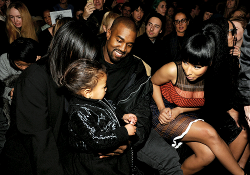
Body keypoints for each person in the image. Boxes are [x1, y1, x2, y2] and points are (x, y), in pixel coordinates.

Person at [0, 20, 98, 175]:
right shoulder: (33, 79)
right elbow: (39, 141)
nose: (84, 66)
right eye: (81, 59)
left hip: (60, 155)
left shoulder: (70, 75)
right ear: (65, 50)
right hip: (29, 163)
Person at [150, 19, 246, 175]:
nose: (189, 71)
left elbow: (203, 104)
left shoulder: (210, 80)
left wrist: (180, 110)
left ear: (210, 63)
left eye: (197, 66)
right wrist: (162, 108)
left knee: (206, 155)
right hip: (160, 111)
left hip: (183, 113)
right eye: (187, 62)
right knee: (210, 133)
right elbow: (152, 83)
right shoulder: (174, 69)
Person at [96, 16, 183, 175]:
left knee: (171, 160)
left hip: (129, 131)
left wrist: (129, 141)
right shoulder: (89, 57)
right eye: (119, 40)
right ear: (108, 32)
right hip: (95, 128)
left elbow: (142, 111)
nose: (123, 49)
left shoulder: (136, 68)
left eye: (129, 45)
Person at [61, 58, 137, 175]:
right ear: (88, 92)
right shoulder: (79, 112)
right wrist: (124, 132)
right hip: (94, 162)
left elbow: (110, 107)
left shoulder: (94, 99)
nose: (106, 89)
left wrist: (123, 116)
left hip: (109, 152)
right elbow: (96, 140)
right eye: (104, 87)